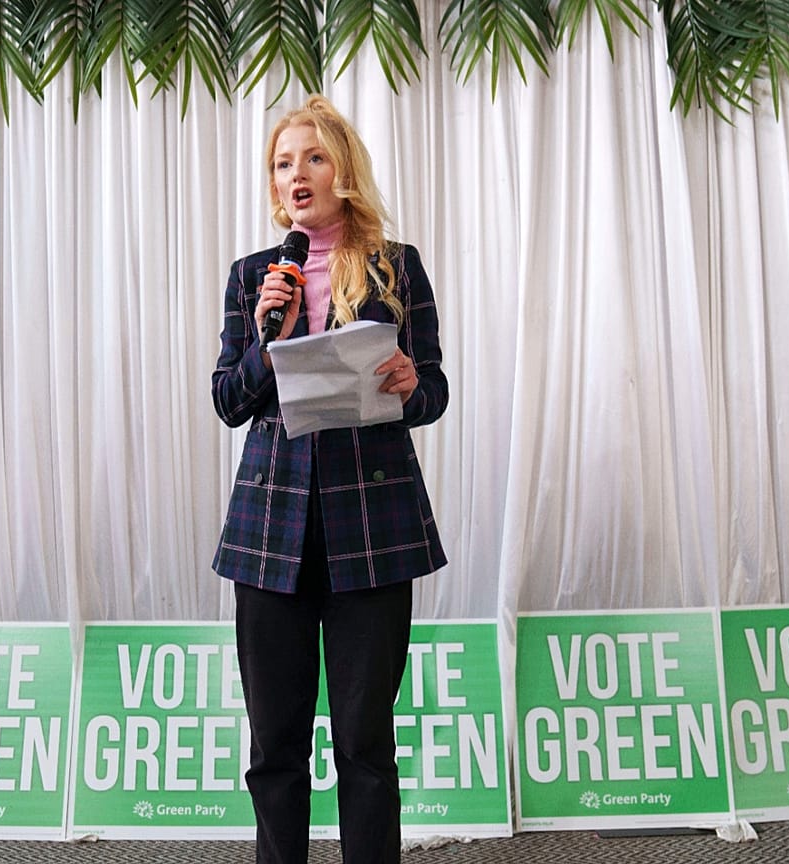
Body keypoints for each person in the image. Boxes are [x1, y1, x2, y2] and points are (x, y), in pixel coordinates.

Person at [210, 94, 449, 864]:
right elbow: (228, 400)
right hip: (270, 533)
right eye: (284, 164)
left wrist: (413, 381)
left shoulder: (394, 265)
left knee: (365, 749)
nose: (297, 174)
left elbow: (434, 392)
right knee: (275, 749)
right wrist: (264, 338)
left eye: (312, 158)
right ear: (274, 185)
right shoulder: (255, 277)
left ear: (341, 170)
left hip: (371, 532)